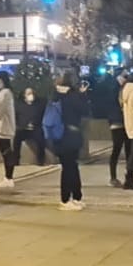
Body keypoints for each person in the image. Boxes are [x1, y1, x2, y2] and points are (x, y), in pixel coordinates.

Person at [51, 72, 91, 211]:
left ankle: (73, 198)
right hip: (70, 135)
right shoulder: (73, 97)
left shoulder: (56, 96)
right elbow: (84, 110)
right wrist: (83, 95)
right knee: (70, 167)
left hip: (59, 134)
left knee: (69, 167)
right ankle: (68, 199)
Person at [97, 71, 131, 187]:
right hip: (117, 122)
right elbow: (111, 104)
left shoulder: (124, 87)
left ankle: (129, 177)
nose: (126, 78)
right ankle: (113, 177)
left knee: (129, 150)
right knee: (117, 149)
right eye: (124, 76)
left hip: (126, 122)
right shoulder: (112, 87)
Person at [0, 70, 18, 189]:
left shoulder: (5, 93)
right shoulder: (6, 92)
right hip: (4, 128)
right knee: (6, 152)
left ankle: (8, 178)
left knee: (6, 152)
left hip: (4, 128)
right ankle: (8, 177)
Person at [13, 85, 48, 167]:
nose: (30, 95)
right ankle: (15, 161)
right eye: (28, 93)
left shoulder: (38, 104)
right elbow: (16, 116)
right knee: (16, 140)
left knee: (41, 140)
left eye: (31, 93)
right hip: (23, 129)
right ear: (24, 95)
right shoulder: (19, 105)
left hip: (35, 129)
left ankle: (41, 161)